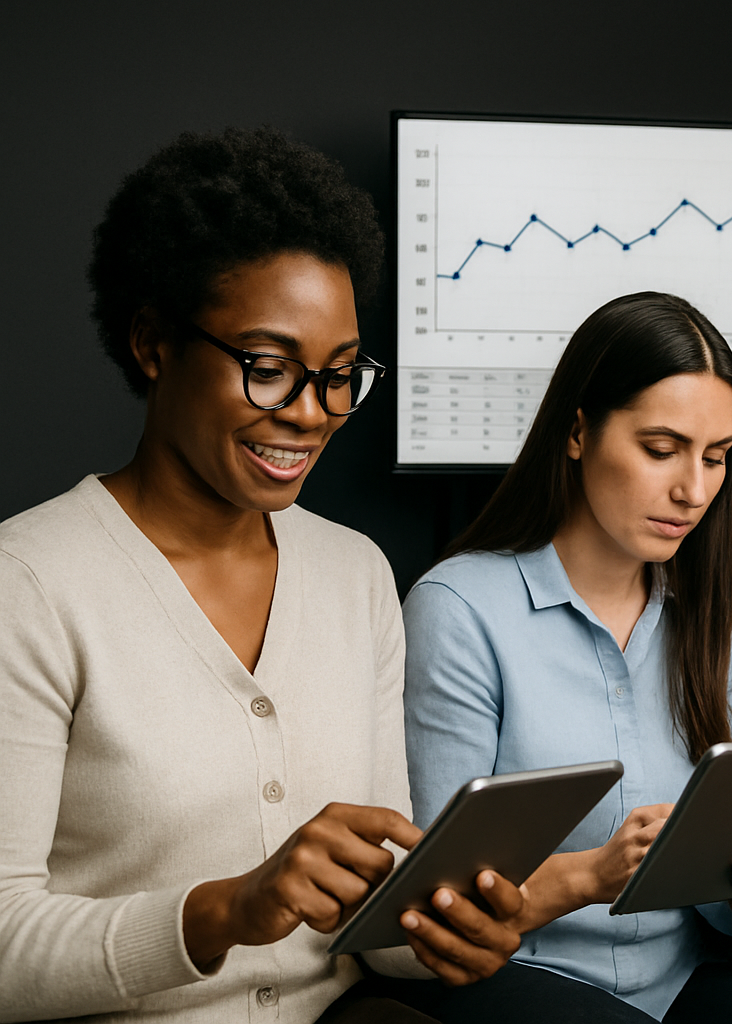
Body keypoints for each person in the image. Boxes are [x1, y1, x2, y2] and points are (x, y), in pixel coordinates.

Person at [0, 127, 528, 1024]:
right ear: (152, 343)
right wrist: (224, 911)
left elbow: (374, 914)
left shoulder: (356, 575)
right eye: (270, 369)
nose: (311, 416)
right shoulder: (30, 585)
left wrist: (446, 927)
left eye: (336, 377)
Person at [401, 292, 732, 1023]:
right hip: (510, 977)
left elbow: (727, 904)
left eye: (716, 458)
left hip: (676, 976)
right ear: (577, 433)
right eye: (660, 450)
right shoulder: (459, 608)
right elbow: (439, 908)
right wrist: (590, 875)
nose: (692, 490)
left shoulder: (722, 604)